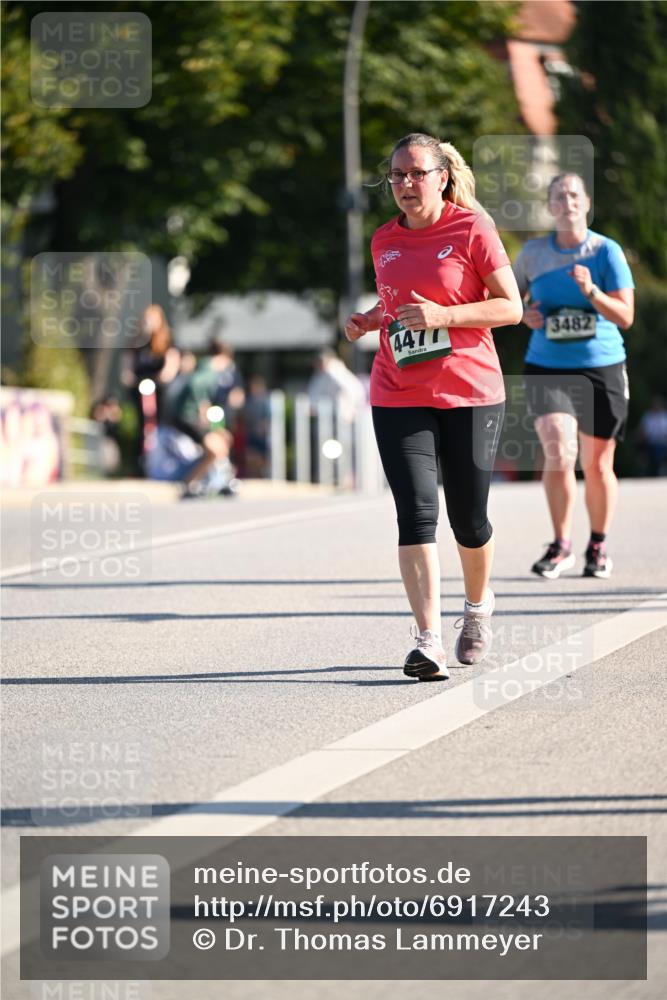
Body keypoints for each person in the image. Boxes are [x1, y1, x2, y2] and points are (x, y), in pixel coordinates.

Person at [344, 132, 522, 680]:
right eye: (396, 175)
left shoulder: (472, 229)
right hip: (397, 391)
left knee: (469, 520)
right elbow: (398, 302)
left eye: (416, 173)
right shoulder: (383, 240)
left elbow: (510, 307)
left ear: (442, 176)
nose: (404, 184)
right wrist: (370, 320)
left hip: (469, 390)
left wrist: (444, 316)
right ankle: (427, 640)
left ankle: (475, 609)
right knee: (417, 513)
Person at [513, 173, 635, 579]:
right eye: (558, 196)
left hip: (601, 365)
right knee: (558, 449)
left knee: (597, 465)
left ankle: (597, 544)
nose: (567, 202)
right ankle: (561, 543)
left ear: (586, 203)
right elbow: (509, 303)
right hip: (547, 365)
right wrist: (525, 315)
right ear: (549, 207)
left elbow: (626, 316)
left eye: (574, 195)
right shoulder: (532, 254)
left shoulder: (605, 252)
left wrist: (592, 292)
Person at [168, 336, 238, 496]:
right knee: (216, 449)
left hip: (191, 418)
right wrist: (203, 409)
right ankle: (190, 483)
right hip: (188, 418)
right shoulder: (208, 370)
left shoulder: (206, 368)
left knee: (221, 445)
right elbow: (197, 387)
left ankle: (217, 480)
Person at [638, 397, 667, 477]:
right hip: (650, 443)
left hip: (663, 443)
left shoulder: (665, 416)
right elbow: (642, 431)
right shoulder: (647, 416)